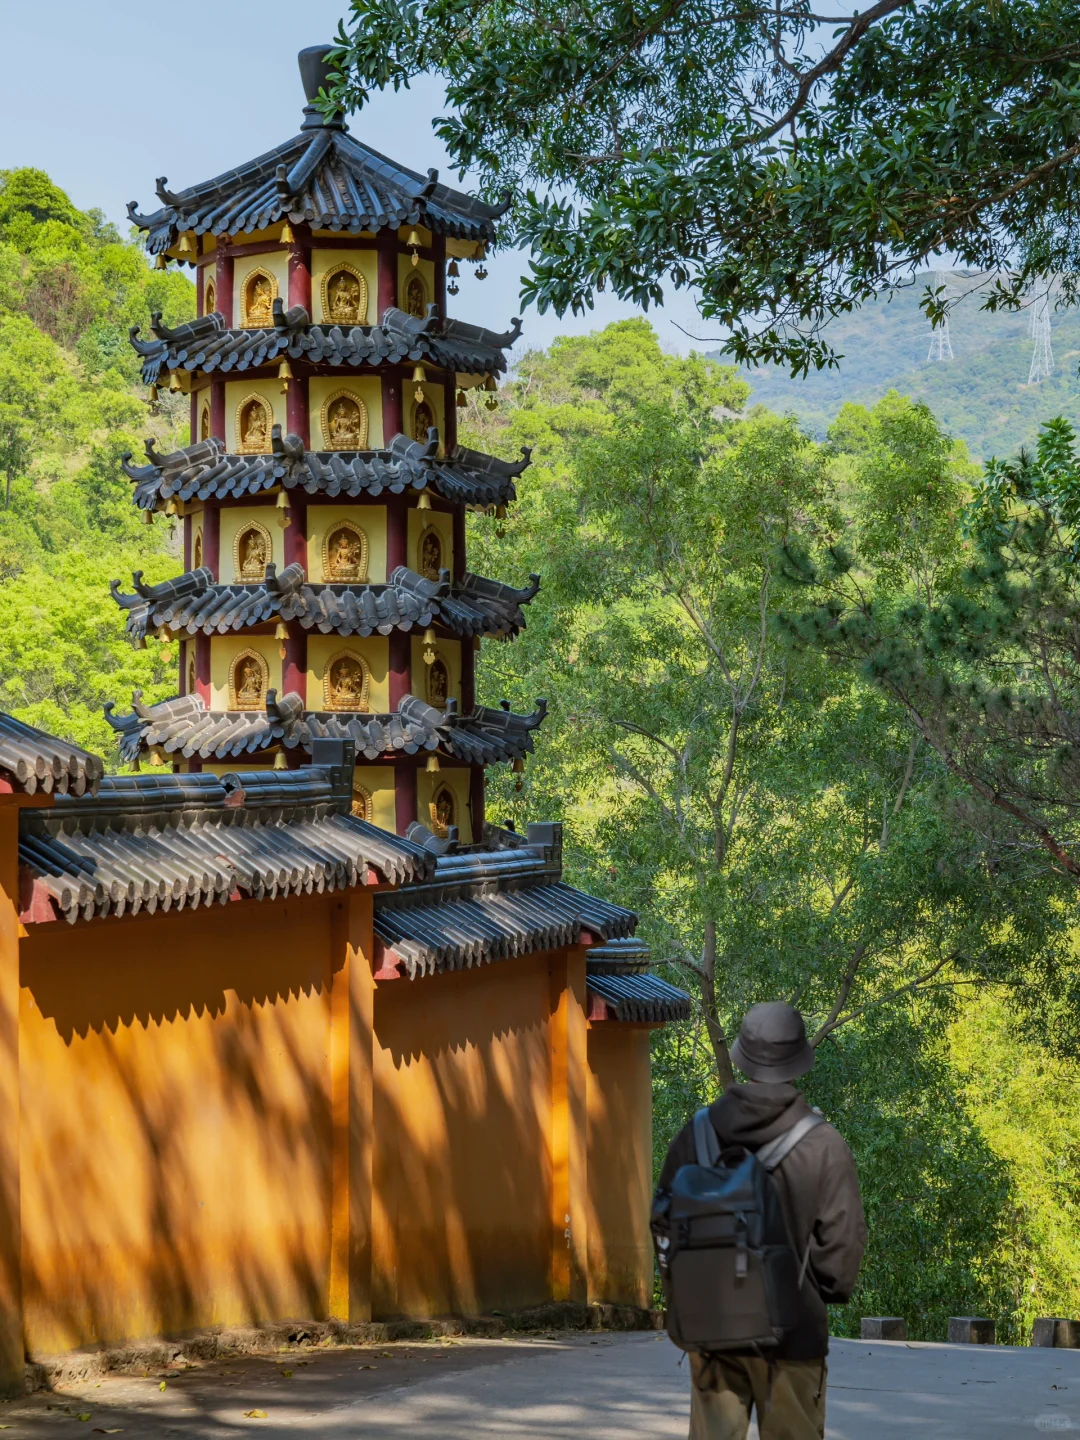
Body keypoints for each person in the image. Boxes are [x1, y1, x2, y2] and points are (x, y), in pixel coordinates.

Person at [658, 1002, 867, 1440]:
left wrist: (693, 1287)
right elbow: (841, 1250)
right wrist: (810, 1291)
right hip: (793, 1335)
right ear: (799, 1061)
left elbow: (663, 1222)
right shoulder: (823, 1144)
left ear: (743, 1057)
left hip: (711, 1328)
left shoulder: (696, 1134)